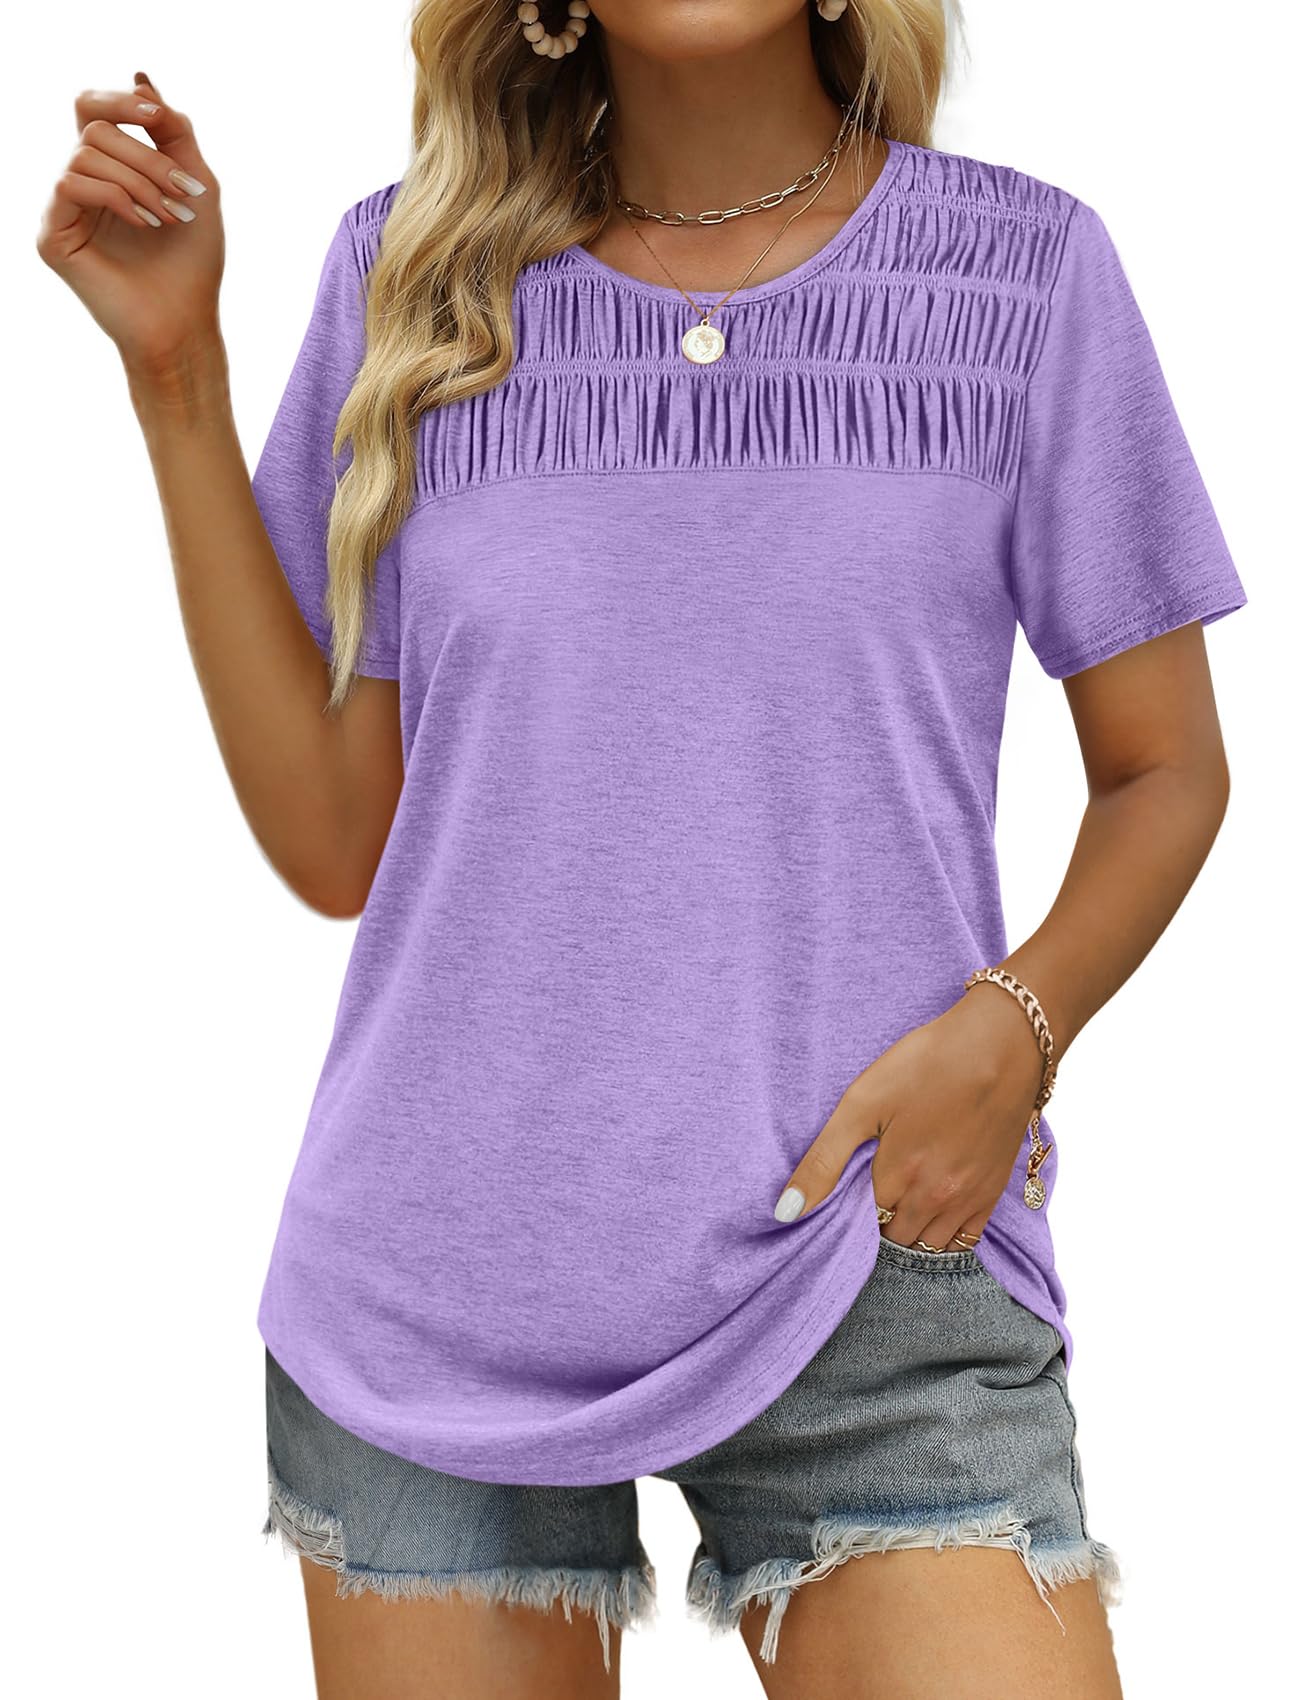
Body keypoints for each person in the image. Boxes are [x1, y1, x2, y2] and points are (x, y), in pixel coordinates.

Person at [37, 2, 1247, 1695]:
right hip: (441, 1290)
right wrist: (178, 377)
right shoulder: (410, 283)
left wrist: (1015, 1029)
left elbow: (1165, 770)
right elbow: (335, 841)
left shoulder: (1023, 276)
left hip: (870, 1254)